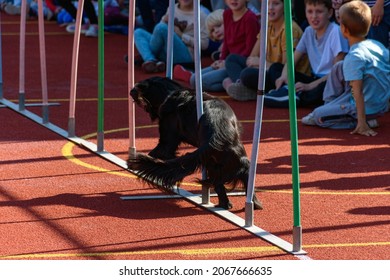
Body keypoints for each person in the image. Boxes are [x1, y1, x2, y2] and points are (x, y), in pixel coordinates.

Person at [301, 1, 390, 136]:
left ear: (344, 29)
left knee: (319, 116)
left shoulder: (354, 56)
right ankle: (331, 106)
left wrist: (362, 124)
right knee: (338, 67)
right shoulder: (376, 45)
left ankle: (360, 120)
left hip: (366, 107)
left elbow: (357, 91)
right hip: (378, 102)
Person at [264, 0, 349, 108]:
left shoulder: (336, 32)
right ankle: (290, 92)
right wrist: (284, 76)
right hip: (314, 78)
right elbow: (292, 61)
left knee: (324, 89)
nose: (314, 16)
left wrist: (309, 86)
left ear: (329, 13)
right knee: (276, 68)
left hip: (330, 81)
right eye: (310, 11)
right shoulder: (308, 31)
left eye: (319, 12)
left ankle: (294, 95)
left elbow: (336, 74)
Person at [223, 0, 310, 101]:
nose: (270, 7)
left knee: (243, 75)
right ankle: (242, 85)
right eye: (267, 3)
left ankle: (246, 87)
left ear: (286, 7)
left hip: (283, 76)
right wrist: (257, 63)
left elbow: (283, 68)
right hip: (267, 68)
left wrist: (261, 63)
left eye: (276, 3)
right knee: (232, 59)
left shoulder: (290, 29)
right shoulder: (267, 24)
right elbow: (252, 56)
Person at [173, 0, 259, 92]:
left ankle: (235, 84)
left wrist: (226, 63)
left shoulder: (250, 18)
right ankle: (229, 84)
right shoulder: (227, 14)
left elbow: (250, 49)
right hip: (227, 61)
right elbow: (226, 43)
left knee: (201, 83)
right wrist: (221, 60)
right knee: (193, 79)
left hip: (238, 64)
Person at [133, 0, 209, 73]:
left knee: (161, 28)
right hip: (167, 49)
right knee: (138, 32)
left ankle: (146, 55)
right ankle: (151, 60)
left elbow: (204, 44)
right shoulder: (173, 8)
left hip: (186, 54)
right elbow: (158, 34)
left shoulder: (201, 15)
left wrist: (181, 35)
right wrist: (163, 20)